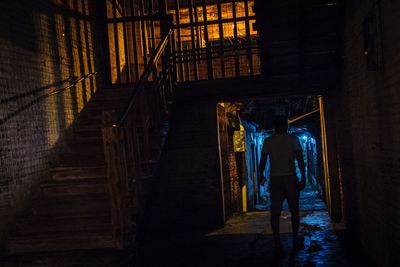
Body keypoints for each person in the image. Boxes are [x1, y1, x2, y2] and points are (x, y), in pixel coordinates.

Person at [259, 115, 306, 253]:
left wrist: (261, 175)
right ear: (286, 126)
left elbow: (262, 161)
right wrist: (303, 177)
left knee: (275, 212)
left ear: (274, 127)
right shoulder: (293, 139)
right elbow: (299, 160)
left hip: (275, 179)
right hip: (290, 178)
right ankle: (295, 237)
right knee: (294, 210)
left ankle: (276, 242)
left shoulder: (268, 141)